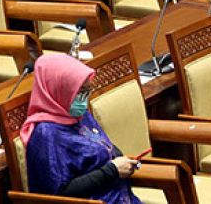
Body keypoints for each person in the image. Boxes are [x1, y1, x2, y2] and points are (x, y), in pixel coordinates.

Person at [22, 54, 140, 203]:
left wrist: (122, 161)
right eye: (80, 92)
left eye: (87, 91)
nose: (84, 99)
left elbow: (104, 146)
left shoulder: (79, 115)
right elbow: (57, 194)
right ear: (59, 89)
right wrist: (112, 171)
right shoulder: (46, 135)